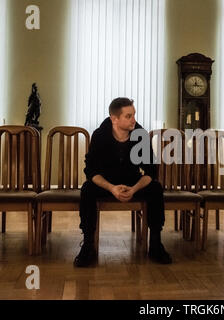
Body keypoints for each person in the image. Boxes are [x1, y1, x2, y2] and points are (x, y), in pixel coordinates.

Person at [74, 97, 172, 267]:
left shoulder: (139, 135)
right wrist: (111, 188)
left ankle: (156, 244)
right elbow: (91, 171)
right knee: (88, 189)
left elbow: (150, 171)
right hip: (107, 183)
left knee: (155, 188)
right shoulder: (100, 135)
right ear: (114, 119)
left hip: (131, 182)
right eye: (128, 116)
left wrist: (134, 189)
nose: (134, 119)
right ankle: (88, 245)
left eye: (133, 115)